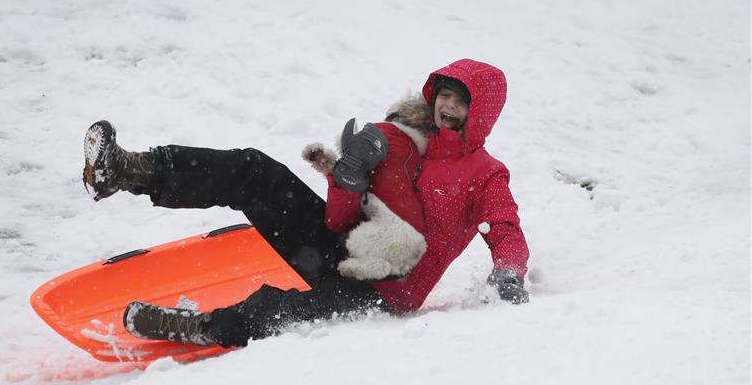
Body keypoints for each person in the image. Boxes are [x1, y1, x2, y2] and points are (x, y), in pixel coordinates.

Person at [82, 59, 530, 348]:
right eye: (444, 95)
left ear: (481, 112)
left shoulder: (485, 174)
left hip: (382, 291)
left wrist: (508, 271)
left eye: (460, 100)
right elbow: (341, 217)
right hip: (341, 246)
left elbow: (504, 227)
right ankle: (128, 170)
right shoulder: (402, 140)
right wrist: (348, 177)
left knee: (279, 310)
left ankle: (198, 328)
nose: (447, 106)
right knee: (254, 170)